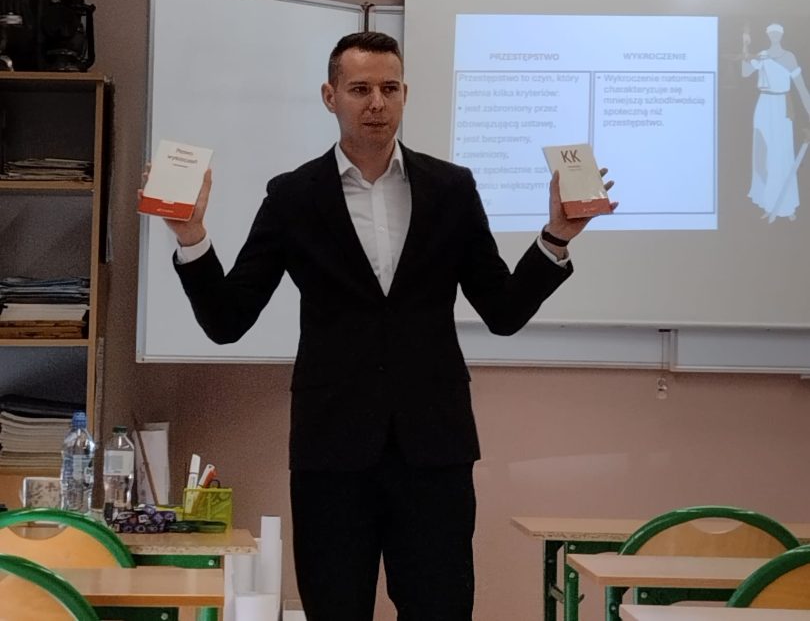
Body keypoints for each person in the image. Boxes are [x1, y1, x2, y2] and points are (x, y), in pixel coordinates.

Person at [149, 31, 613, 621]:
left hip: (434, 448)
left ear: (405, 95)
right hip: (331, 449)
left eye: (389, 89)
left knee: (441, 609)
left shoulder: (451, 188)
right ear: (330, 96)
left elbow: (503, 311)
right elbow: (227, 319)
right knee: (334, 609)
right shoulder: (293, 196)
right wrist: (192, 237)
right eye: (360, 89)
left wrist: (556, 238)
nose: (376, 103)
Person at [742, 23, 810, 221]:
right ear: (767, 34)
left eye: (777, 32)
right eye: (771, 32)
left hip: (781, 108)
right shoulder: (762, 55)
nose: (774, 35)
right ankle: (768, 203)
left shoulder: (789, 57)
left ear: (782, 34)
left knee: (780, 156)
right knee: (761, 156)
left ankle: (786, 207)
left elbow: (801, 88)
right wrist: (745, 46)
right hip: (763, 106)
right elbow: (745, 72)